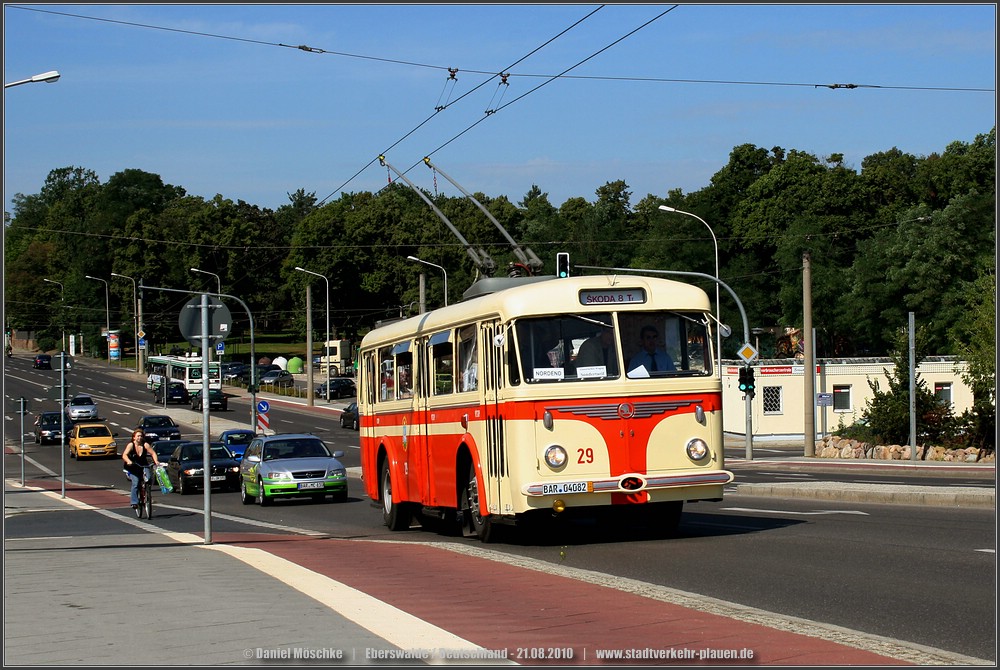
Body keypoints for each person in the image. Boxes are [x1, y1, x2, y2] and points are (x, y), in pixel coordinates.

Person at [122, 429, 161, 510]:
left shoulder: (145, 445)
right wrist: (129, 461)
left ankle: (147, 492)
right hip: (133, 467)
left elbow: (153, 453)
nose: (139, 438)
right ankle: (134, 502)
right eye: (138, 436)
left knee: (149, 478)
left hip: (143, 465)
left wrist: (156, 461)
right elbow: (124, 455)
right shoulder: (131, 445)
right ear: (134, 438)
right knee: (135, 483)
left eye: (141, 436)